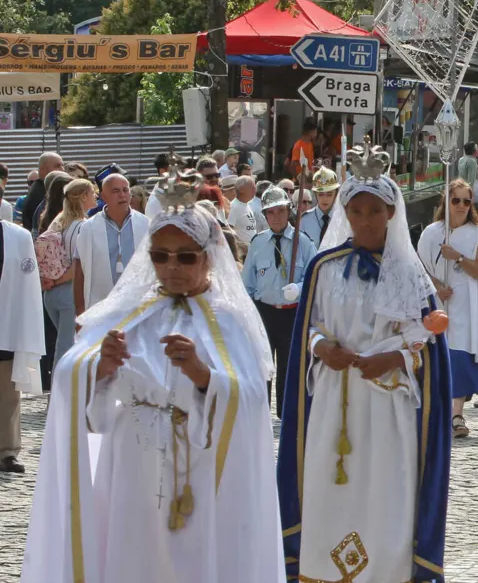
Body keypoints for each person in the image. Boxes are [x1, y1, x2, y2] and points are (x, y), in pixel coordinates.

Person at [21, 189, 283, 581]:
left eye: (185, 256)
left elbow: (251, 399)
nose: (171, 266)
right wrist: (101, 369)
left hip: (201, 468)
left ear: (208, 257)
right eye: (160, 256)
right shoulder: (131, 313)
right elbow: (76, 380)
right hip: (131, 466)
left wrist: (201, 375)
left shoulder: (230, 321)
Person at [277, 142, 451, 583]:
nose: (366, 220)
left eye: (375, 211)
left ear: (391, 213)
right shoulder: (323, 267)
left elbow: (425, 340)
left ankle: (385, 571)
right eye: (357, 212)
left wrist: (393, 356)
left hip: (387, 402)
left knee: (384, 489)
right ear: (345, 214)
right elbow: (308, 328)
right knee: (329, 489)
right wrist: (321, 349)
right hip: (334, 399)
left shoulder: (410, 274)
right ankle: (323, 570)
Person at [416, 179, 478, 436]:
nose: (462, 206)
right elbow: (419, 268)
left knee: (460, 357)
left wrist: (458, 257)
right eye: (457, 200)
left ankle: (457, 415)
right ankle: (436, 412)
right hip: (436, 302)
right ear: (447, 201)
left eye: (467, 201)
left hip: (466, 303)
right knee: (435, 358)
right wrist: (436, 288)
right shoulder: (431, 232)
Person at [241, 186, 315, 416]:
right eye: (271, 212)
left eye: (281, 211)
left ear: (289, 211)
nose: (276, 217)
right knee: (263, 364)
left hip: (291, 313)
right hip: (265, 311)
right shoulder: (258, 243)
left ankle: (286, 412)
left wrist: (300, 288)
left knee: (288, 365)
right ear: (264, 215)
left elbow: (315, 276)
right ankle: (261, 412)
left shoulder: (303, 242)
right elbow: (248, 282)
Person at [0, 215, 44, 473]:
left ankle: (7, 451)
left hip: (7, 323)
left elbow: (27, 283)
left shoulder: (19, 237)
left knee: (8, 392)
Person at [72, 173, 149, 314]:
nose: (122, 195)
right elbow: (79, 270)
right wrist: (80, 309)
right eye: (115, 191)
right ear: (103, 196)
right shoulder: (88, 228)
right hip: (101, 305)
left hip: (138, 305)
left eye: (125, 190)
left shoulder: (146, 224)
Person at [38, 177, 95, 369]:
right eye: (91, 192)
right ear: (82, 197)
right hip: (68, 292)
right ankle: (59, 396)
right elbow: (77, 267)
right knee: (66, 349)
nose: (95, 195)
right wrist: (59, 281)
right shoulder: (82, 226)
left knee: (66, 346)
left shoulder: (59, 222)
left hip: (51, 294)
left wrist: (52, 282)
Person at [22, 151, 63, 233]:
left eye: (62, 165)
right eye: (57, 166)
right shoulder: (41, 193)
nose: (62, 169)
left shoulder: (40, 188)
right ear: (43, 169)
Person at [300, 167, 340, 248]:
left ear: (335, 194)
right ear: (315, 194)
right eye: (320, 194)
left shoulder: (342, 218)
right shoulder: (305, 220)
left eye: (329, 194)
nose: (325, 199)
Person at [227, 175, 259, 248]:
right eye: (252, 188)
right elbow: (229, 230)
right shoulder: (233, 207)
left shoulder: (248, 205)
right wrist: (241, 247)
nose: (255, 190)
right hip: (243, 253)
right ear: (241, 189)